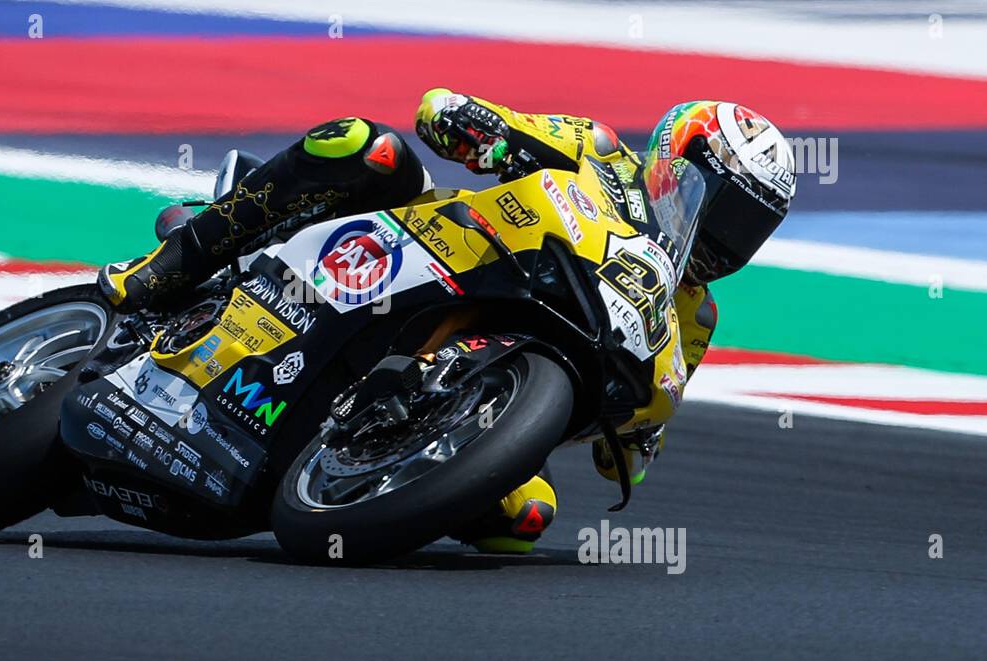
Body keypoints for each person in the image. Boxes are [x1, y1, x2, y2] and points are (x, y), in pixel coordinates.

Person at [99, 90, 797, 553]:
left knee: (524, 522)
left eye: (751, 225)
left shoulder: (693, 315)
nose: (730, 237)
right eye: (727, 208)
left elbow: (635, 445)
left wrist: (638, 438)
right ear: (678, 166)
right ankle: (171, 264)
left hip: (513, 361)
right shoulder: (598, 150)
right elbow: (448, 112)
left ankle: (367, 465)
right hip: (425, 251)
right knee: (365, 147)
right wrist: (482, 131)